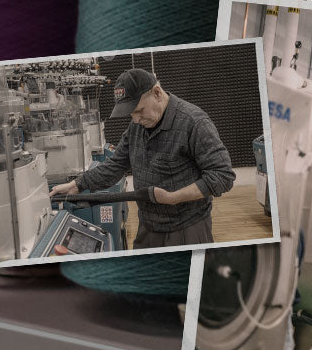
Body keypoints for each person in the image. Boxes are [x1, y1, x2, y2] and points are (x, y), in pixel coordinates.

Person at [50, 68, 235, 248]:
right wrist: (77, 185)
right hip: (148, 227)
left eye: (139, 110)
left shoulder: (194, 122)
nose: (136, 119)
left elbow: (222, 176)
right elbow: (115, 165)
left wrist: (173, 198)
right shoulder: (136, 127)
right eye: (131, 114)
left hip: (186, 229)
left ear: (157, 93)